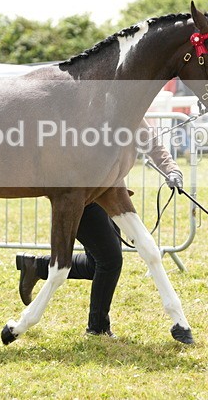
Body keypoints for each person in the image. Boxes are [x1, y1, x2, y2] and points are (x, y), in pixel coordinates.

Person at [15, 131, 183, 337]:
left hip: (109, 195)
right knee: (110, 261)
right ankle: (98, 327)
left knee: (100, 263)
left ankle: (36, 266)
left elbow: (151, 142)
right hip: (82, 198)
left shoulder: (128, 116)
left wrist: (172, 170)